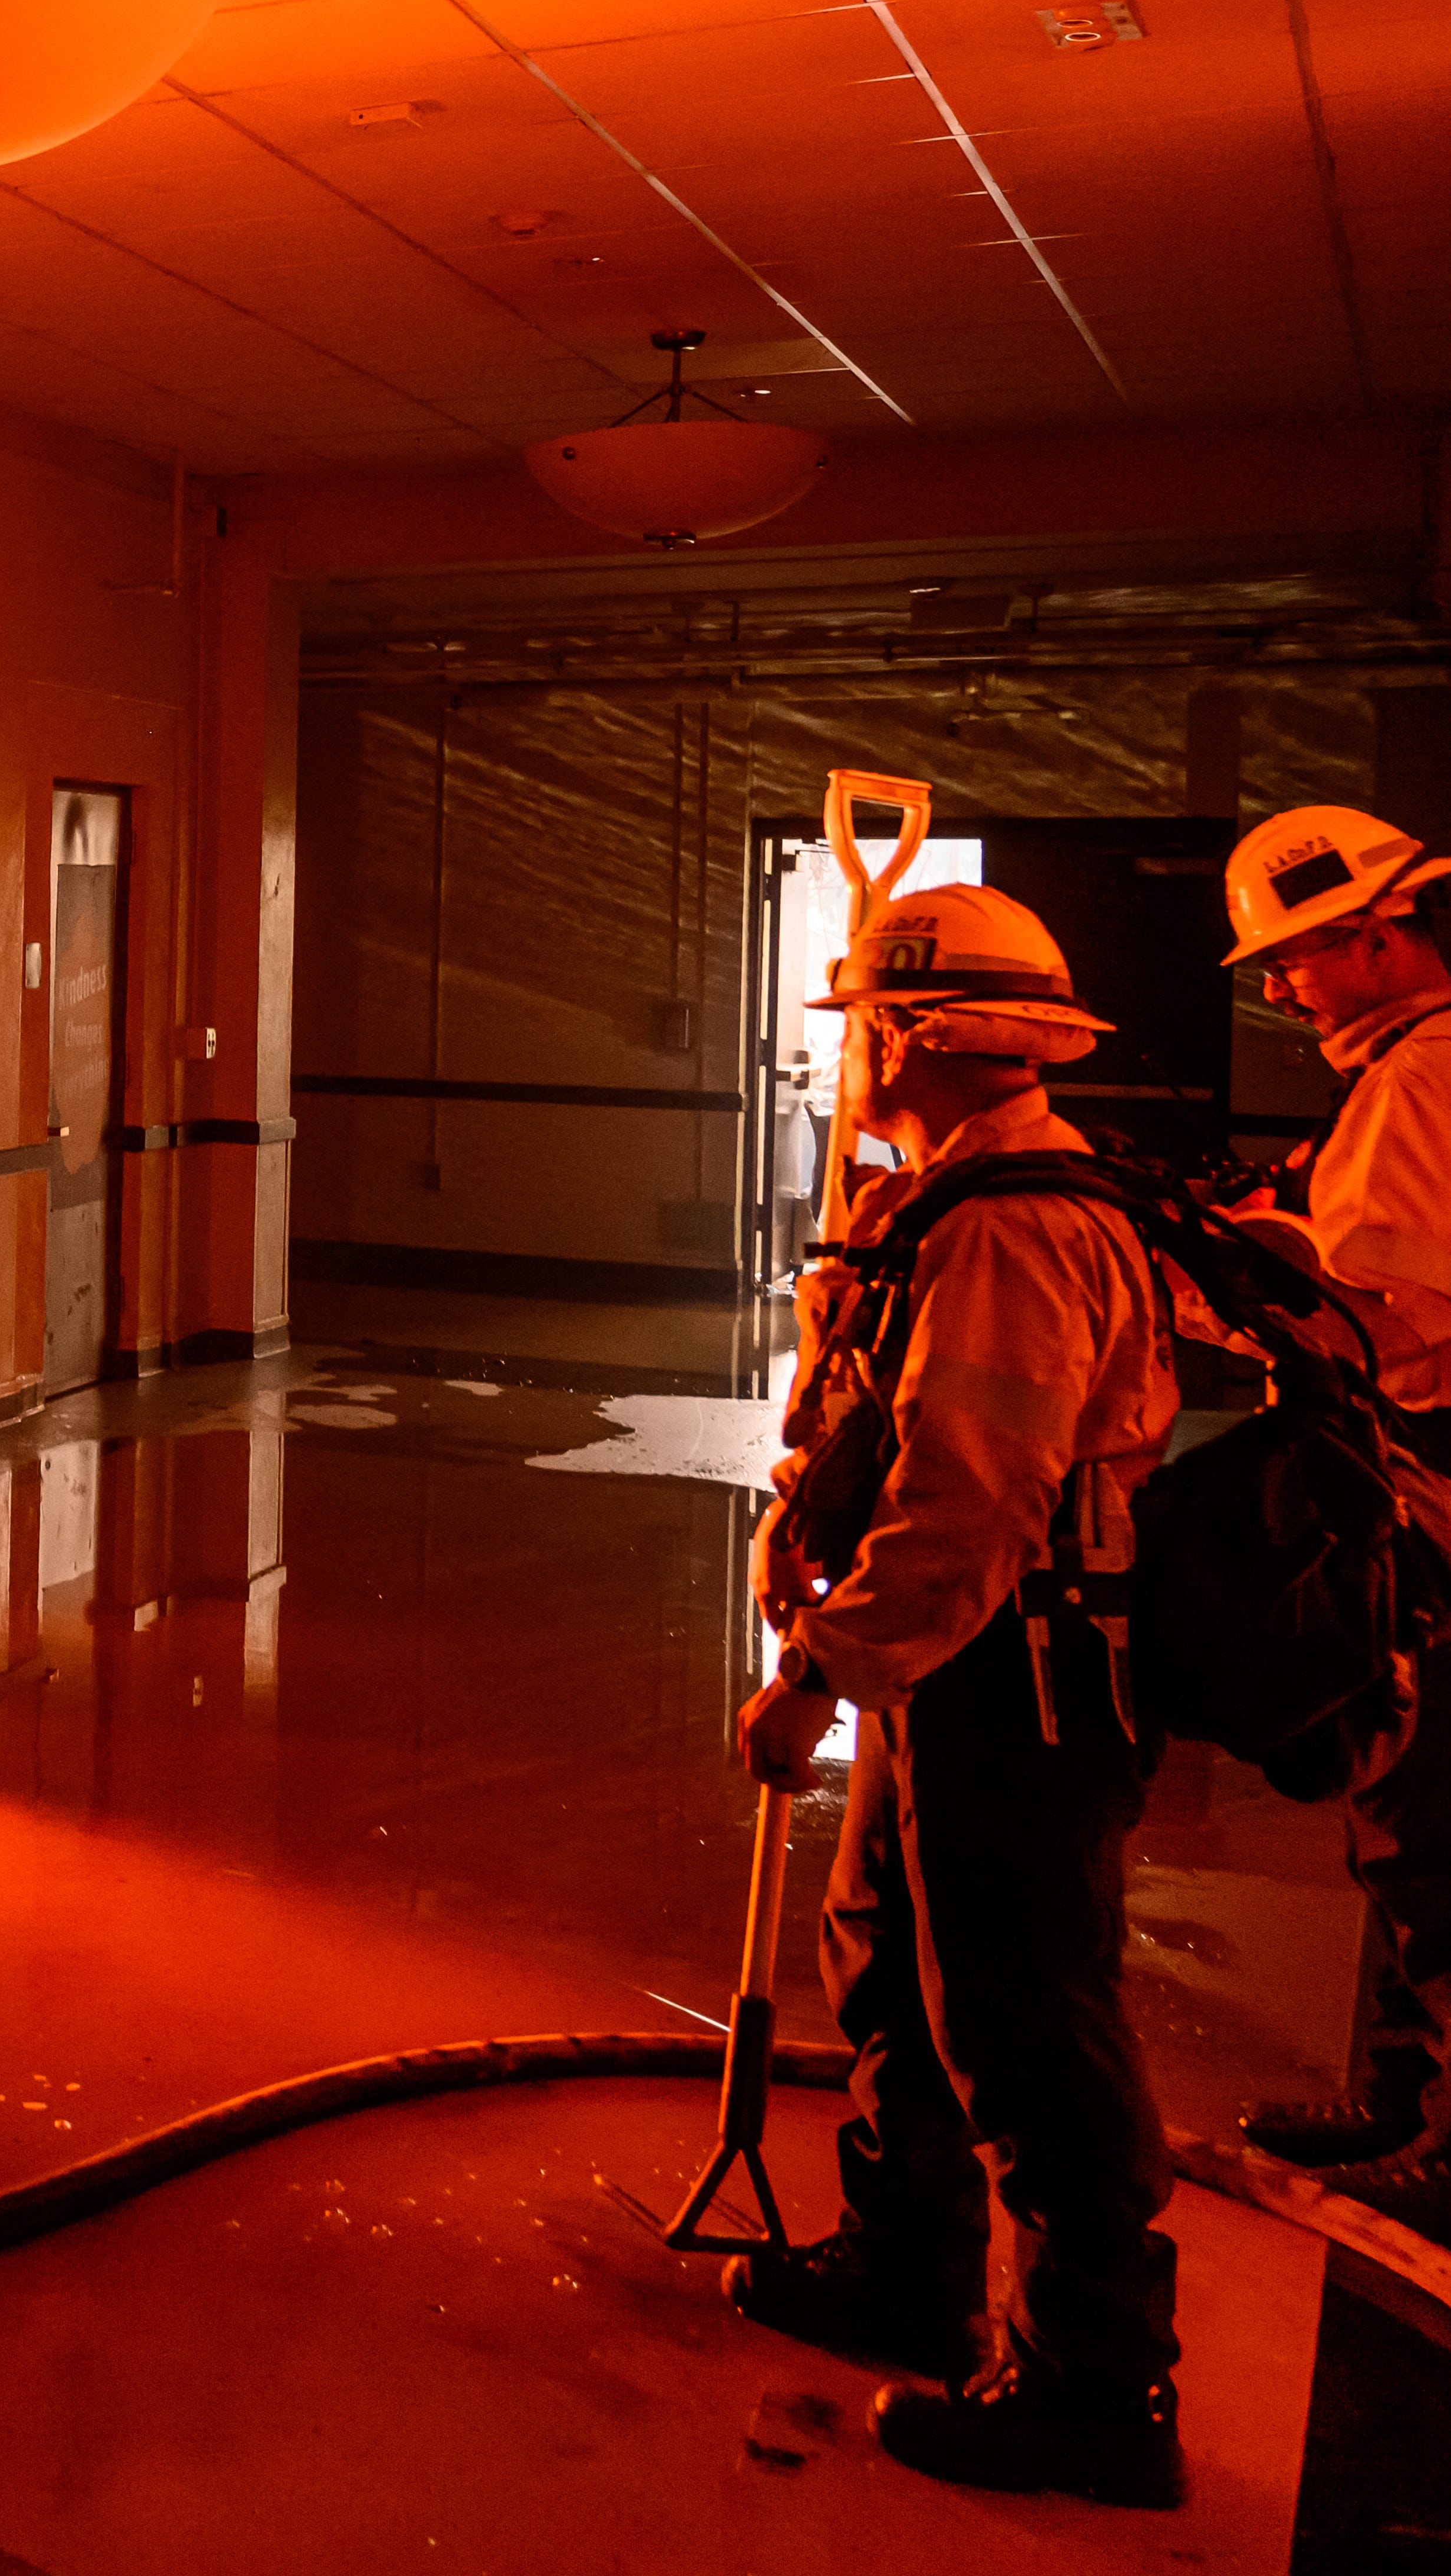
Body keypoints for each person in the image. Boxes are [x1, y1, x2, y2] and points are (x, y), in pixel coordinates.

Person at [730, 882, 1186, 2509]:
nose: (850, 1061)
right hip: (959, 1665)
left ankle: (1091, 2389)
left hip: (1017, 1676)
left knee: (1020, 2012)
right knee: (891, 1964)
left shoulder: (1006, 1223)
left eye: (863, 1031)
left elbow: (970, 1497)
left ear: (919, 1039)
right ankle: (906, 2266)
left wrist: (813, 1679)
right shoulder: (950, 1198)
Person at [1214, 805, 1451, 2237]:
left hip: (1427, 1473)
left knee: (1428, 1805)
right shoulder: (1407, 1073)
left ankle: (1442, 2145)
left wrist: (1237, 1280)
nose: (1283, 986)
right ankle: (1405, 2091)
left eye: (1300, 956)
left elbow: (1386, 1317)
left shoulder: (1421, 1080)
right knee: (1402, 1799)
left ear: (1378, 930)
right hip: (1424, 1462)